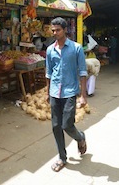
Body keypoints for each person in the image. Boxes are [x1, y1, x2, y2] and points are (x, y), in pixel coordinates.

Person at [45, 17, 88, 172]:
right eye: (53, 30)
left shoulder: (76, 48)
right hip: (55, 92)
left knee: (66, 125)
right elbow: (49, 72)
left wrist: (83, 95)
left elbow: (82, 72)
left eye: (58, 30)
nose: (55, 33)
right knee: (56, 126)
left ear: (65, 30)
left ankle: (80, 137)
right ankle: (62, 158)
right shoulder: (50, 50)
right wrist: (47, 91)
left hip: (70, 92)